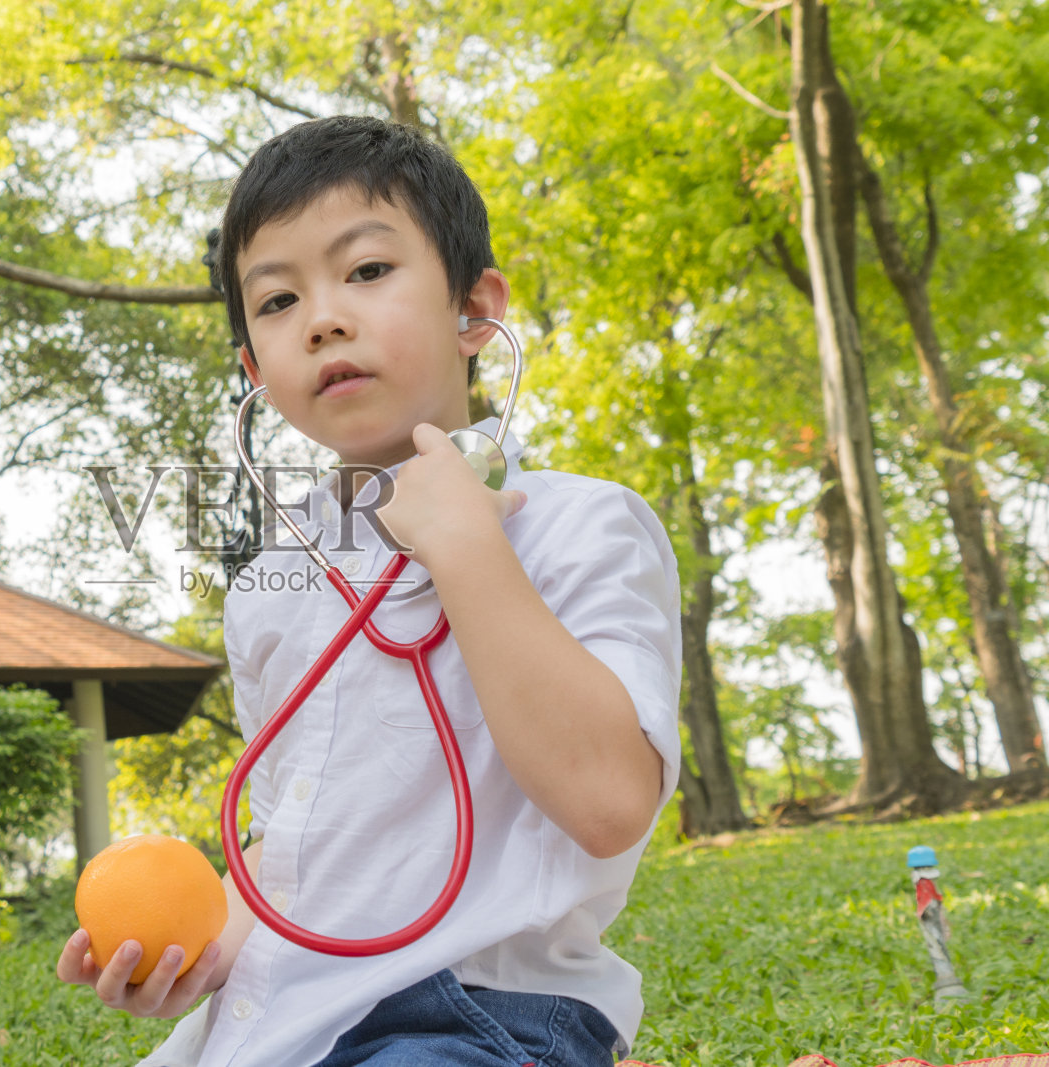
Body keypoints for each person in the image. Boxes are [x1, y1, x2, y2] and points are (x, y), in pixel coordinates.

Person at [57, 114, 682, 1067]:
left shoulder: (578, 526)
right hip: (271, 1021)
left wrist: (470, 550)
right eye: (275, 301)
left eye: (367, 271)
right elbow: (304, 838)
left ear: (476, 311)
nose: (323, 317)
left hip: (471, 1014)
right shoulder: (272, 581)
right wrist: (204, 945)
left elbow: (609, 801)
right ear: (254, 371)